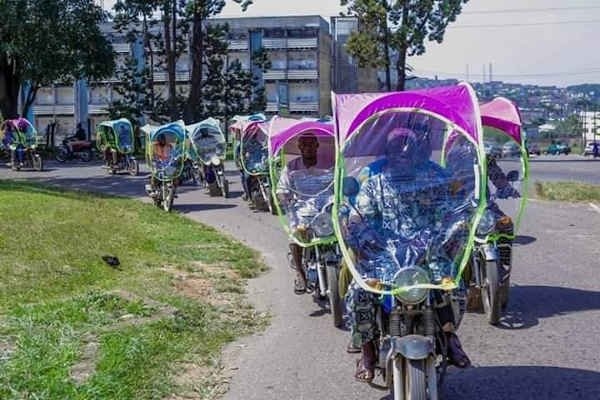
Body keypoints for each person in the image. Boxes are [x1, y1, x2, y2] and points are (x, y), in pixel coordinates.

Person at [345, 127, 472, 383]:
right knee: (359, 292)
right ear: (388, 152)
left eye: (407, 146)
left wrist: (456, 226)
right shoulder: (374, 184)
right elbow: (360, 217)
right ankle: (367, 351)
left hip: (428, 251)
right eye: (396, 147)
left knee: (454, 286)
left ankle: (449, 337)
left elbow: (449, 211)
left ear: (415, 153)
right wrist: (359, 230)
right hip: (385, 254)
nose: (401, 152)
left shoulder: (431, 181)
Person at [276, 132, 334, 294]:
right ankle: (300, 274)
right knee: (295, 235)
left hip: (326, 210)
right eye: (304, 145)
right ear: (299, 147)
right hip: (301, 210)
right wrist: (283, 198)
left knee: (347, 230)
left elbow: (340, 183)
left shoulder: (330, 164)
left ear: (317, 146)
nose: (308, 148)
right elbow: (281, 189)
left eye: (311, 144)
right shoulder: (291, 167)